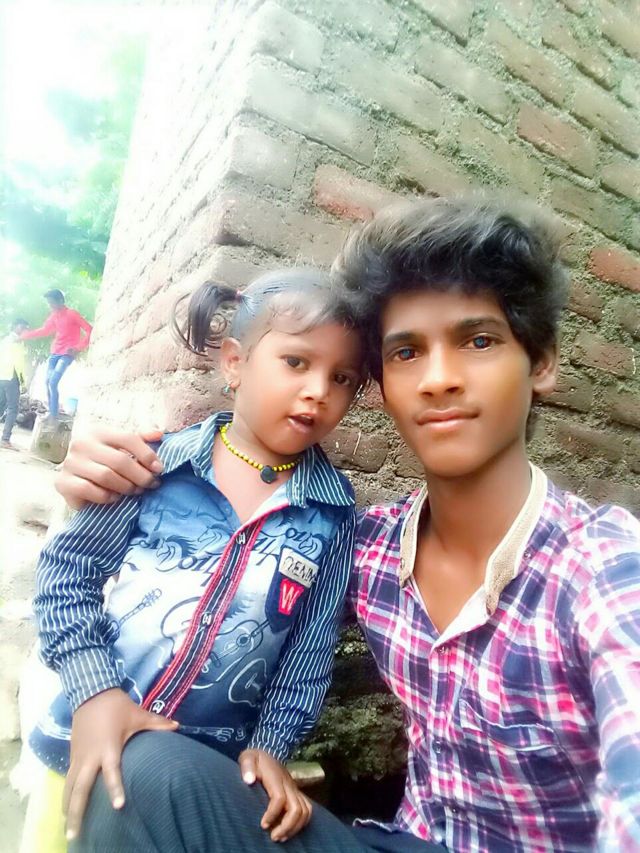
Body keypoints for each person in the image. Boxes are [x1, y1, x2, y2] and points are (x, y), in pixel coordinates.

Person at [53, 198, 640, 851]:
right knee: (141, 775)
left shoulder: (605, 567)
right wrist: (101, 475)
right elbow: (237, 558)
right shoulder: (365, 545)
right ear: (384, 387)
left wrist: (272, 743)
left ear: (542, 362)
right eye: (407, 352)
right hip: (402, 840)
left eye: (479, 341)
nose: (439, 379)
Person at [28, 267, 391, 852]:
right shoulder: (158, 465)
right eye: (296, 362)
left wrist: (271, 748)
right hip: (82, 739)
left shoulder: (331, 515)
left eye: (342, 377)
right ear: (234, 362)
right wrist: (95, 693)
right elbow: (69, 573)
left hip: (197, 780)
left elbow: (308, 652)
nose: (318, 390)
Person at [21, 289, 92, 420]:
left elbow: (90, 330)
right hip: (54, 353)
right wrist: (25, 335)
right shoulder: (54, 316)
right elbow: (44, 330)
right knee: (47, 382)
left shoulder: (72, 314)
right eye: (49, 303)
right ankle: (51, 414)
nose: (50, 306)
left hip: (67, 354)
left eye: (52, 302)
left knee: (53, 382)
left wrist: (78, 347)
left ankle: (53, 416)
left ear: (60, 301)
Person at [0, 317, 29, 450]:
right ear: (15, 326)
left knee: (1, 405)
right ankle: (5, 439)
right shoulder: (17, 342)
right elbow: (19, 364)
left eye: (25, 328)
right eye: (22, 327)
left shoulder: (4, 340)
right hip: (11, 376)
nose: (24, 330)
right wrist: (23, 383)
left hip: (2, 376)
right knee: (13, 408)